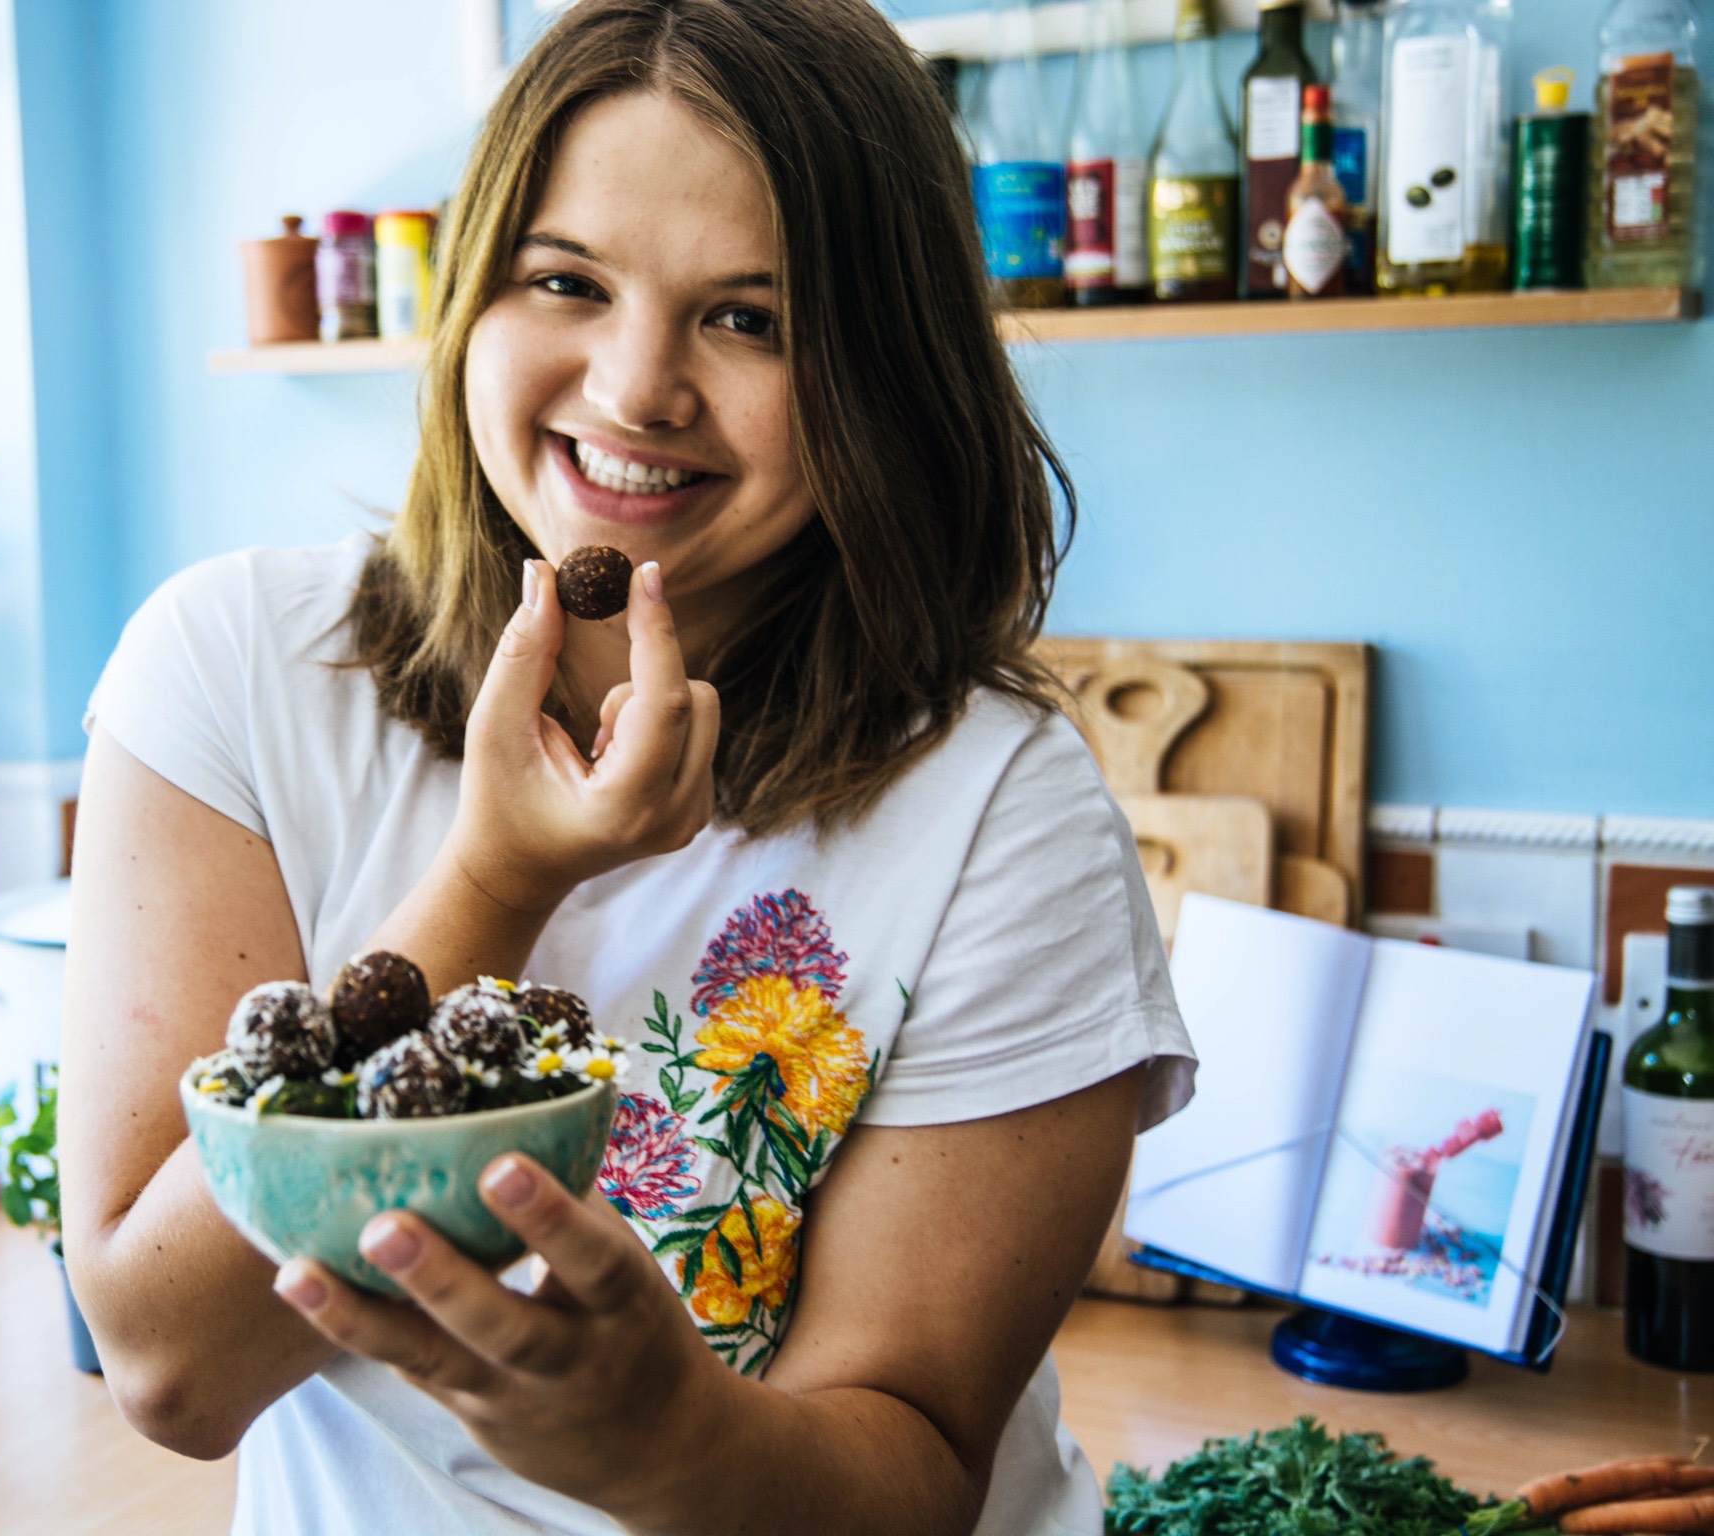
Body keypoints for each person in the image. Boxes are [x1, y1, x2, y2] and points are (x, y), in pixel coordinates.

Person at [62, 2, 1195, 1532]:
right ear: (472, 297)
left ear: (881, 375)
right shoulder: (234, 674)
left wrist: (666, 1439)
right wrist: (494, 883)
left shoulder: (999, 808)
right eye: (565, 282)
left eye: (752, 318)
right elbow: (171, 1369)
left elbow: (917, 1478)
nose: (636, 386)